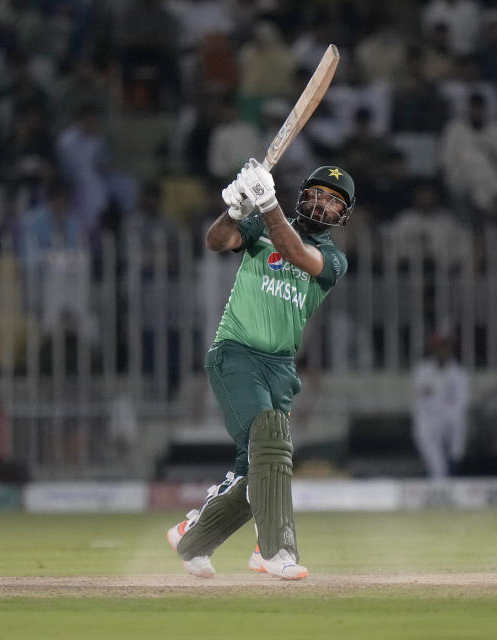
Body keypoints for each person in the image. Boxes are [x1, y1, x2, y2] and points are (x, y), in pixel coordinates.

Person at [166, 159, 353, 581]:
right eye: (318, 195)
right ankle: (274, 550)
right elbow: (217, 241)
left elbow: (295, 253)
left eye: (335, 202)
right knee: (271, 437)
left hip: (281, 367)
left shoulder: (332, 259)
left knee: (259, 470)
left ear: (344, 216)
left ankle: (192, 537)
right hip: (237, 354)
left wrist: (266, 204)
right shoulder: (261, 227)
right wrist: (233, 211)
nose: (323, 205)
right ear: (303, 195)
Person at [411, 331, 470, 478]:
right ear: (433, 349)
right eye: (439, 347)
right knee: (437, 467)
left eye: (445, 347)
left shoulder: (458, 373)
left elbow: (462, 402)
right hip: (428, 419)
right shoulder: (423, 370)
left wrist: (448, 413)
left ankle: (456, 458)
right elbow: (421, 398)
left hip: (448, 418)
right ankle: (440, 484)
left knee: (459, 418)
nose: (442, 351)